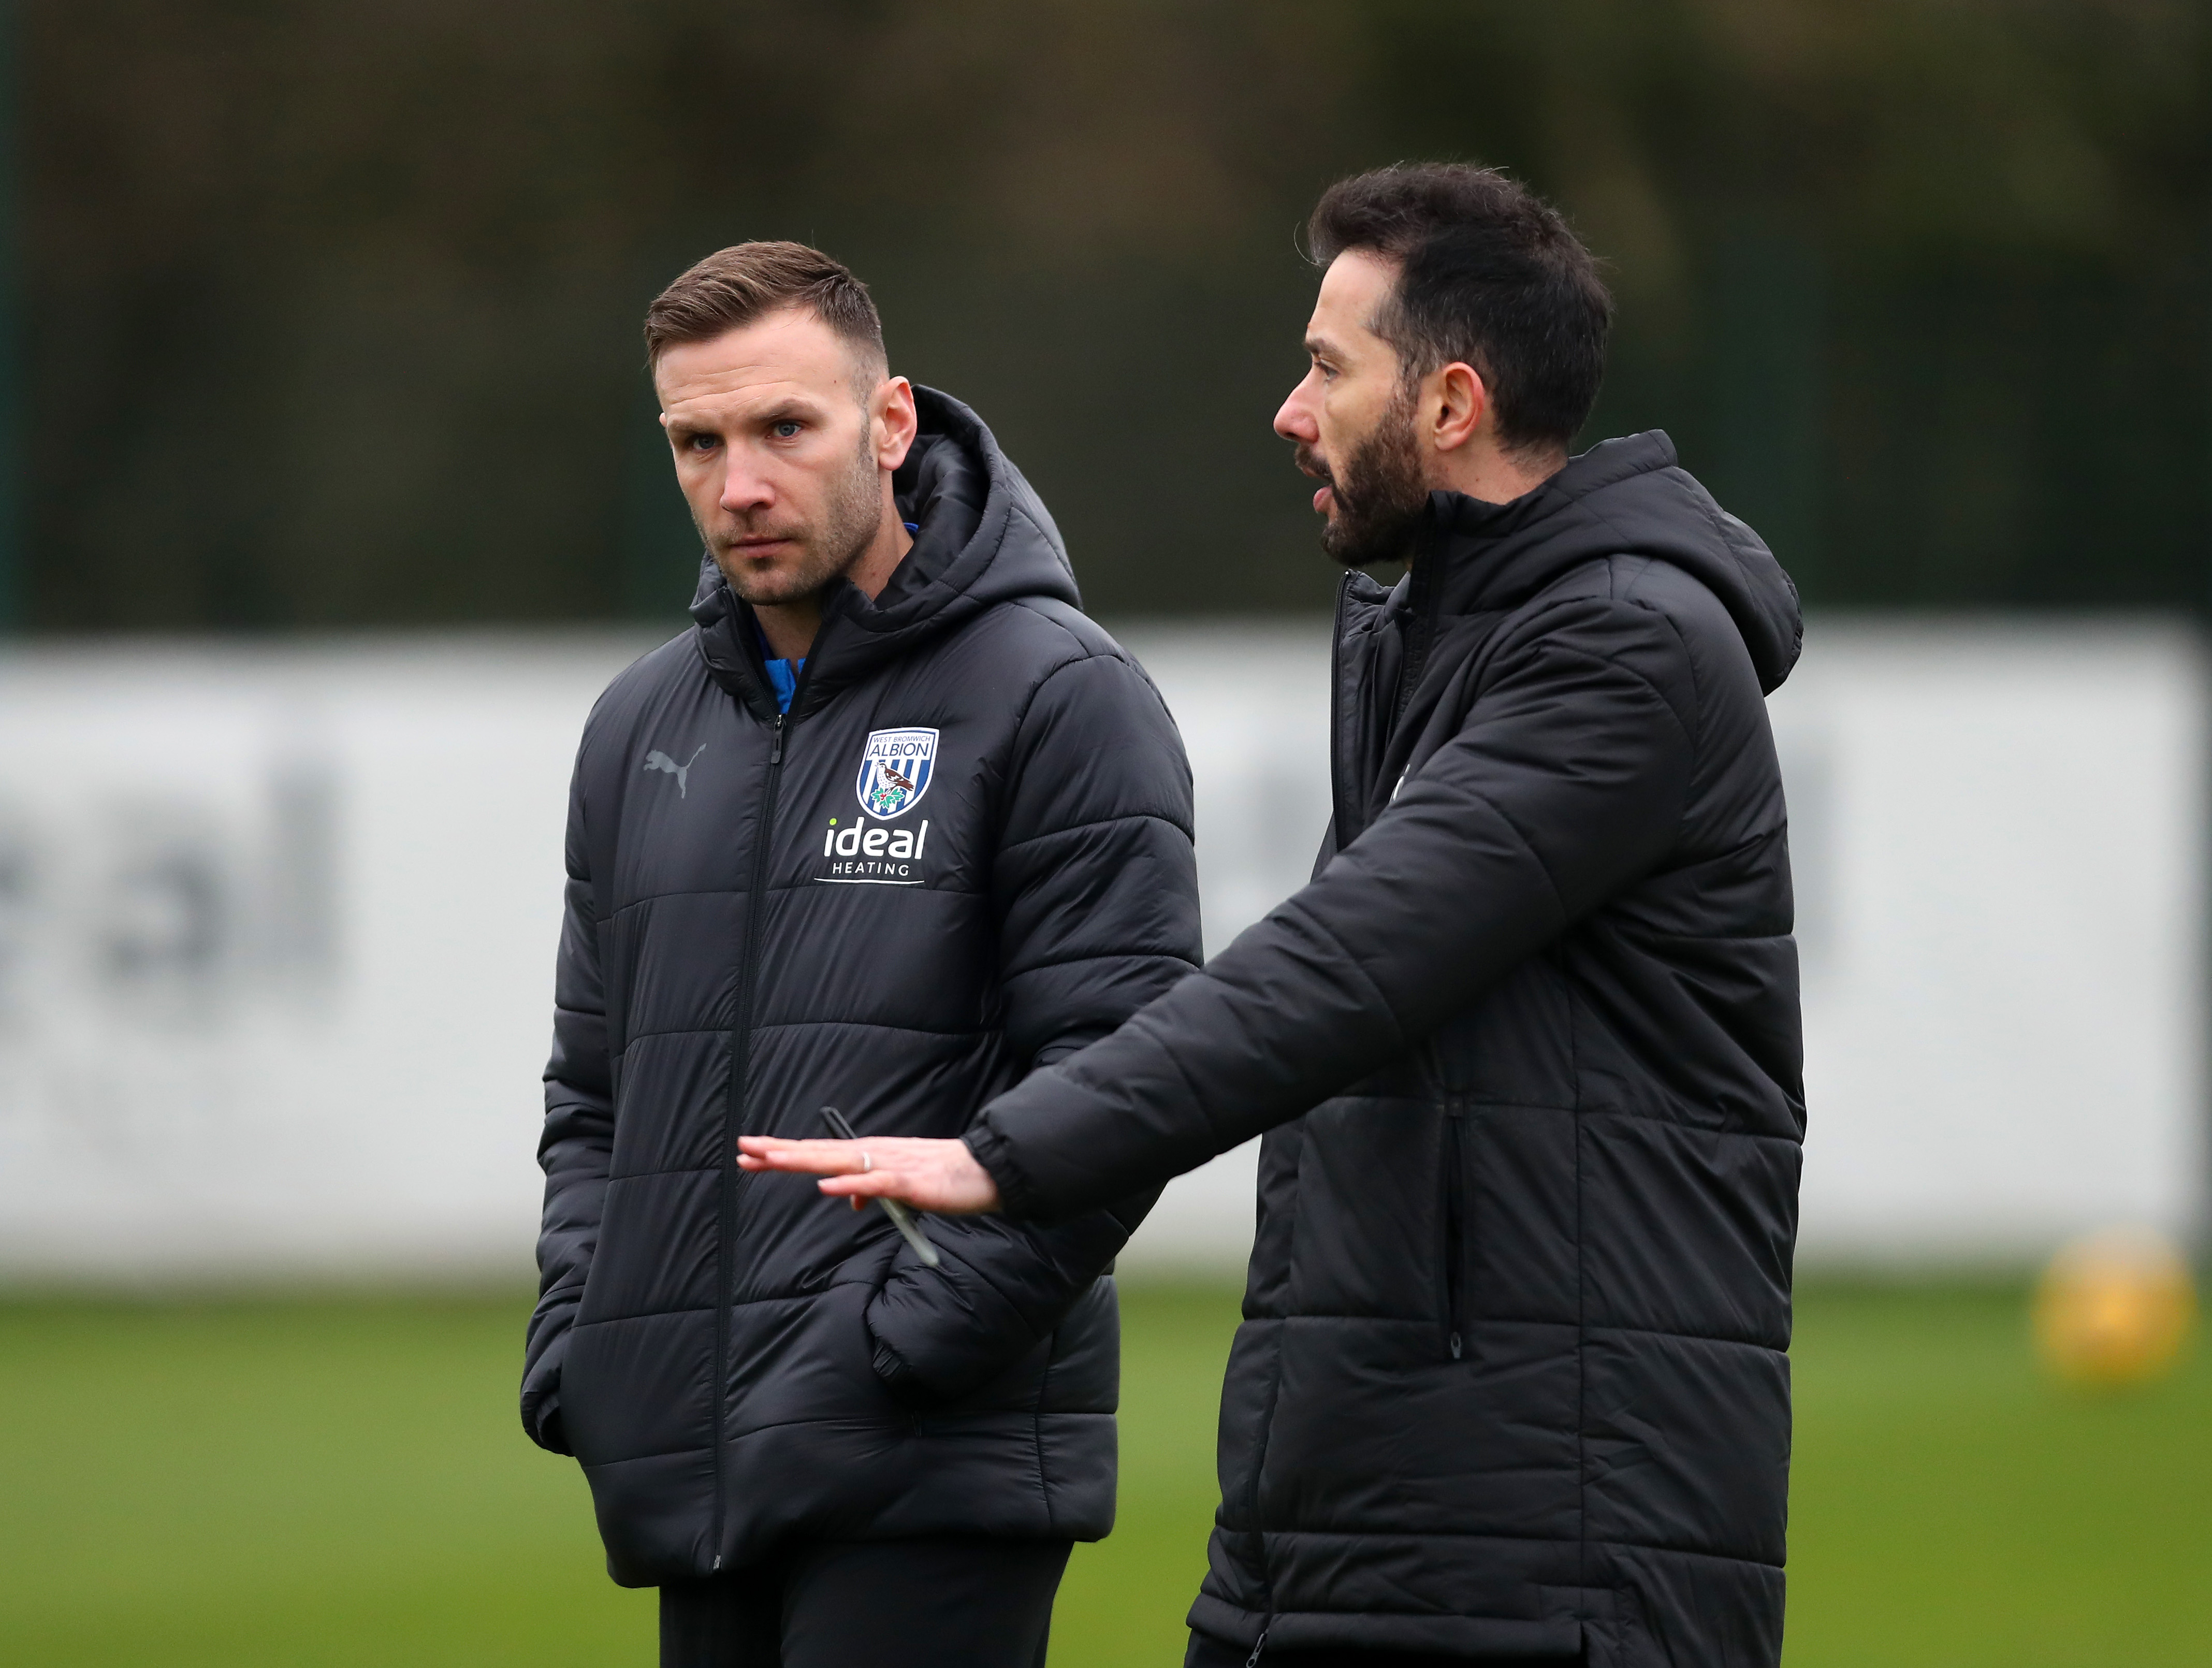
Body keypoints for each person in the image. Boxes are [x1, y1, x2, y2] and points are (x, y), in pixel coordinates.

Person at [742, 165, 1807, 1668]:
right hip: (1362, 1530)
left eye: (1325, 368)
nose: (1288, 413)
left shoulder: (1628, 650)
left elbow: (1339, 970)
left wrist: (1013, 1150)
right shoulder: (1439, 640)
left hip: (1554, 1556)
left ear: (1448, 404)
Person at [521, 241, 1202, 1668]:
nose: (740, 483)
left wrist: (905, 1347)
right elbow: (596, 1095)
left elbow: (1123, 1082)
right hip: (686, 1461)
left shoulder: (1060, 696)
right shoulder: (639, 727)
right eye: (697, 442)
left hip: (929, 1464)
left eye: (786, 428)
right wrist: (585, 1342)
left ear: (890, 426)